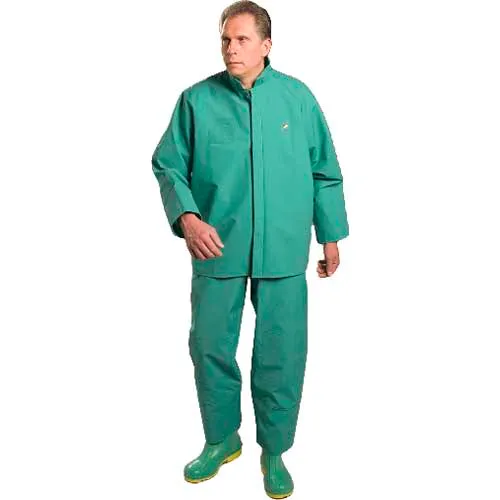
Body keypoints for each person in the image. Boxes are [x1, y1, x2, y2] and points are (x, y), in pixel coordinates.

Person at [151, 1, 349, 498]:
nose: (231, 48)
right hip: (217, 245)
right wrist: (188, 218)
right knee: (209, 346)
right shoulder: (196, 101)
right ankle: (222, 439)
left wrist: (330, 234)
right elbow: (168, 164)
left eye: (241, 39)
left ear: (266, 45)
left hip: (283, 246)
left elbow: (324, 171)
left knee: (282, 350)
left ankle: (274, 450)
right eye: (225, 39)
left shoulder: (297, 99)